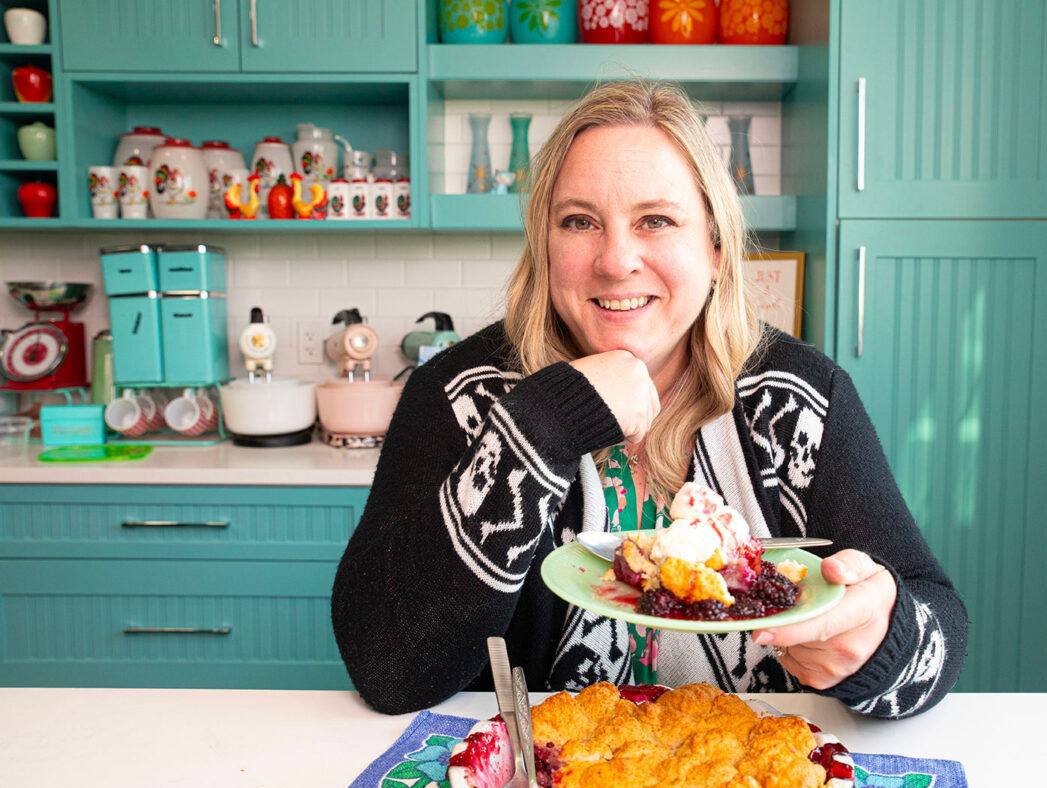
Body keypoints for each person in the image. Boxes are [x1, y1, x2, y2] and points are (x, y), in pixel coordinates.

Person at [332, 80, 966, 718]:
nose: (615, 260)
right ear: (544, 247)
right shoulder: (460, 396)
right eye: (579, 222)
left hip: (746, 776)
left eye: (656, 220)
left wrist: (880, 646)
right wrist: (541, 428)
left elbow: (939, 621)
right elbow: (388, 671)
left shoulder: (800, 399)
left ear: (715, 248)